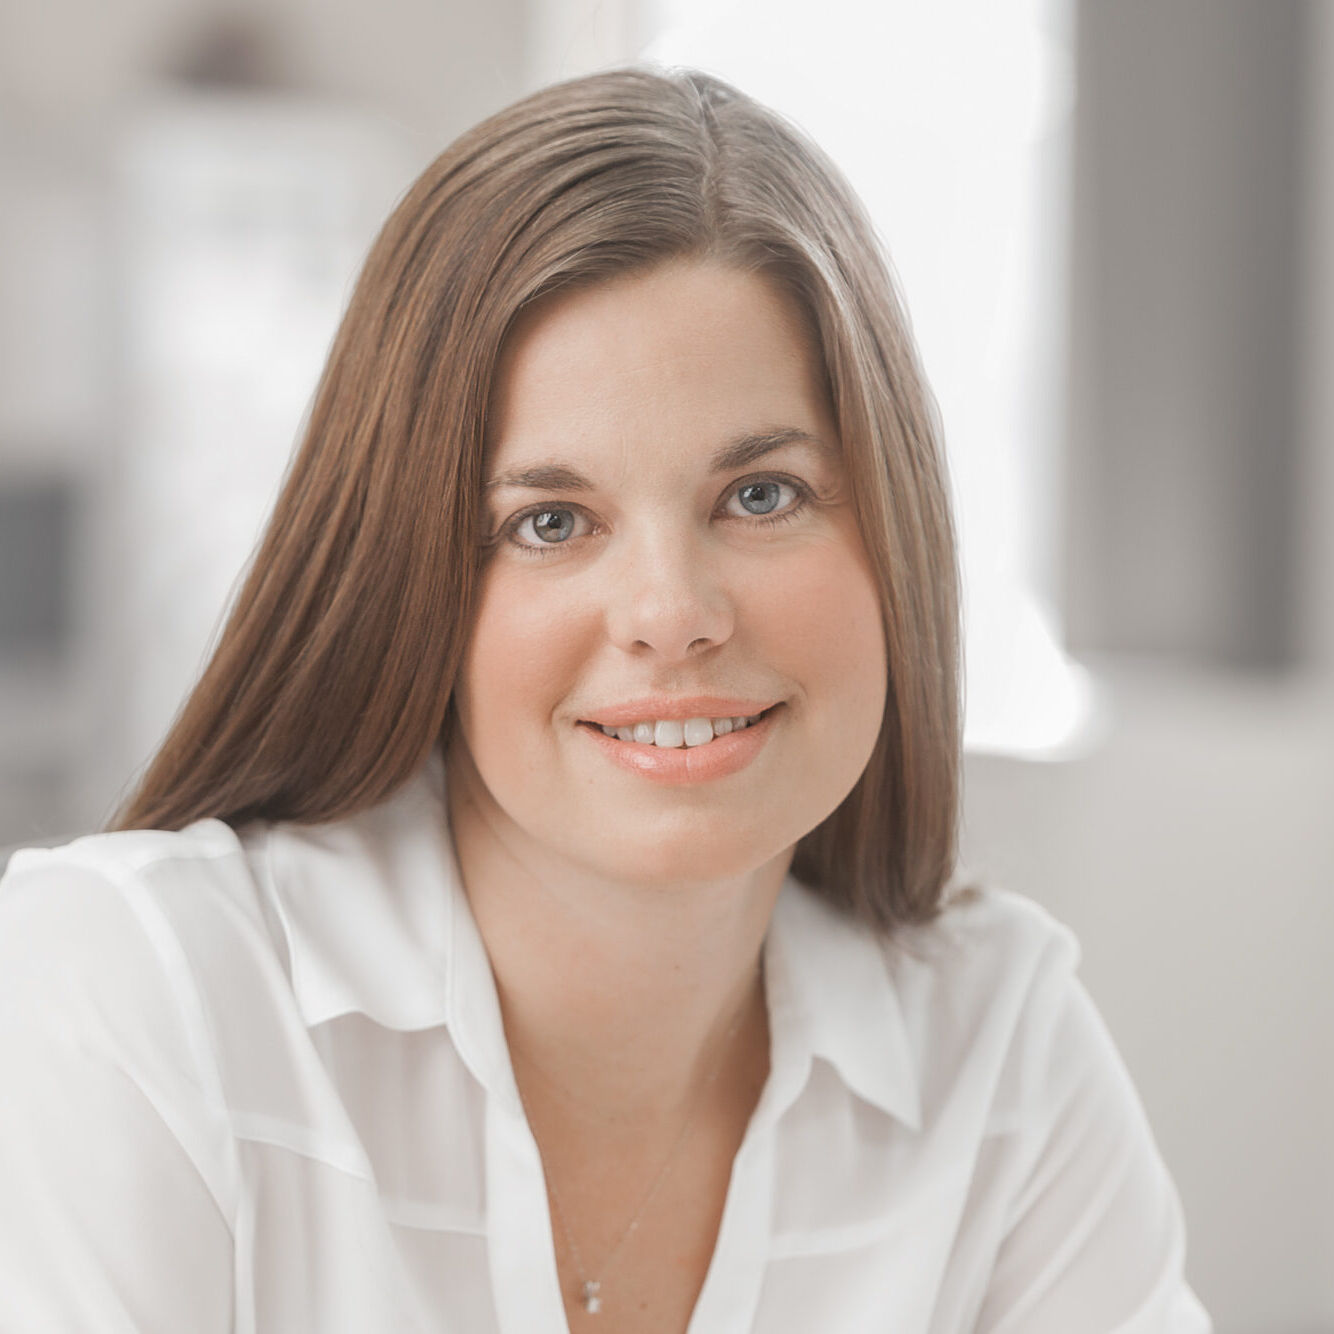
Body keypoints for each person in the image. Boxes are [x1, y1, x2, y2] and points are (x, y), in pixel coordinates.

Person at [0, 67, 1211, 1333]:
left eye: (760, 494)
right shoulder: (133, 997)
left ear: (893, 530)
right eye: (550, 521)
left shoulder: (995, 1047)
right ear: (412, 581)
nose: (670, 610)